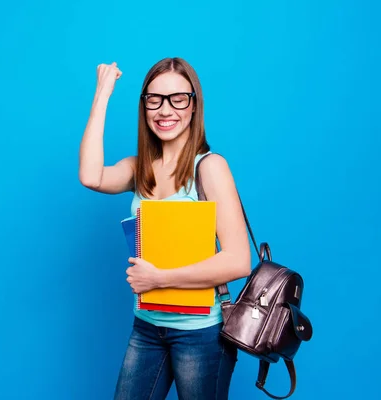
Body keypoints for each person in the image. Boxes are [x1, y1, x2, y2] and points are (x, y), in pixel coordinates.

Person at [78, 57, 252, 400]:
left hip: (200, 334)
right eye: (154, 99)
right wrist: (102, 94)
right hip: (147, 328)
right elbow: (90, 176)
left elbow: (238, 261)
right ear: (144, 107)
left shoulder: (210, 167)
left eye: (178, 98)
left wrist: (159, 278)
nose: (165, 109)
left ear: (193, 105)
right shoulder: (138, 168)